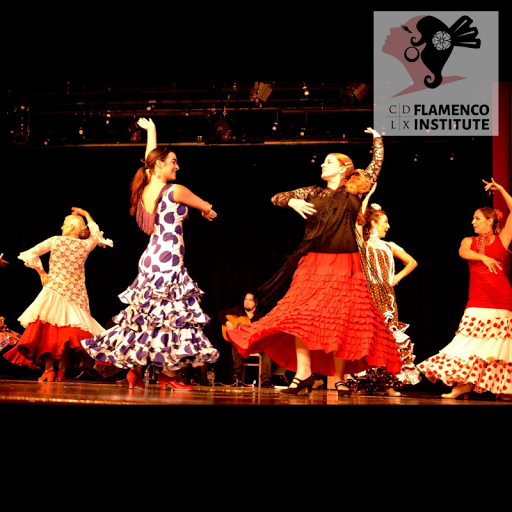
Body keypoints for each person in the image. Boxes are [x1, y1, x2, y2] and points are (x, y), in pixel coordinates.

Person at [227, 128, 403, 396]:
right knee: (301, 316)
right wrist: (293, 202)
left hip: (346, 264)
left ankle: (340, 378)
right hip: (313, 264)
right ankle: (303, 375)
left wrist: (378, 139)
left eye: (328, 161)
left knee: (341, 320)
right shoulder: (313, 192)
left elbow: (376, 166)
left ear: (344, 168)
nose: (322, 164)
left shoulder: (354, 191)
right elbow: (276, 197)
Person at [81, 118, 220, 390]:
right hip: (168, 257)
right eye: (173, 162)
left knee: (147, 315)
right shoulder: (175, 190)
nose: (177, 166)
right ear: (159, 166)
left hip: (150, 258)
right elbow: (206, 205)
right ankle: (168, 374)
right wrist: (206, 210)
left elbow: (150, 159)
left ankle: (134, 370)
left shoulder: (147, 188)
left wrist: (152, 131)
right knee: (169, 316)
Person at [417, 178, 512, 400]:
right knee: (469, 342)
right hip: (478, 298)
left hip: (501, 297)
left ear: (490, 221)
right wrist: (483, 257)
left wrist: (501, 189)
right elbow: (463, 252)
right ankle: (462, 385)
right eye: (473, 218)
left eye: (477, 218)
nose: (473, 222)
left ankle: (504, 388)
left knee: (499, 346)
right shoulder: (469, 241)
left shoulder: (503, 239)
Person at [4, 208, 113, 382]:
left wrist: (42, 273)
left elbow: (30, 254)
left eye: (64, 224)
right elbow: (95, 233)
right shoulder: (86, 245)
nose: (61, 227)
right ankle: (60, 371)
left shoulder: (55, 241)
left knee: (49, 331)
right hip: (76, 295)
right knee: (67, 334)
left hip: (55, 290)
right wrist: (86, 214)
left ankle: (49, 370)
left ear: (71, 227)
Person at [350, 183, 421, 396]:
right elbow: (358, 220)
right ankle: (366, 382)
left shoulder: (389, 245)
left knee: (386, 337)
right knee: (367, 337)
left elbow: (412, 262)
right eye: (385, 222)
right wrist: (367, 196)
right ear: (373, 223)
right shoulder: (362, 243)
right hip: (366, 293)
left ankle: (387, 383)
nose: (388, 226)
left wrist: (396, 278)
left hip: (386, 296)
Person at [218, 292, 275, 388]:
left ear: (256, 303)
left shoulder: (261, 316)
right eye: (245, 299)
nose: (247, 302)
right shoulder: (237, 310)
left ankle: (265, 380)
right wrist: (227, 323)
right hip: (242, 345)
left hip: (255, 345)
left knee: (269, 348)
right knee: (235, 341)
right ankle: (237, 373)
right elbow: (220, 315)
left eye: (250, 300)